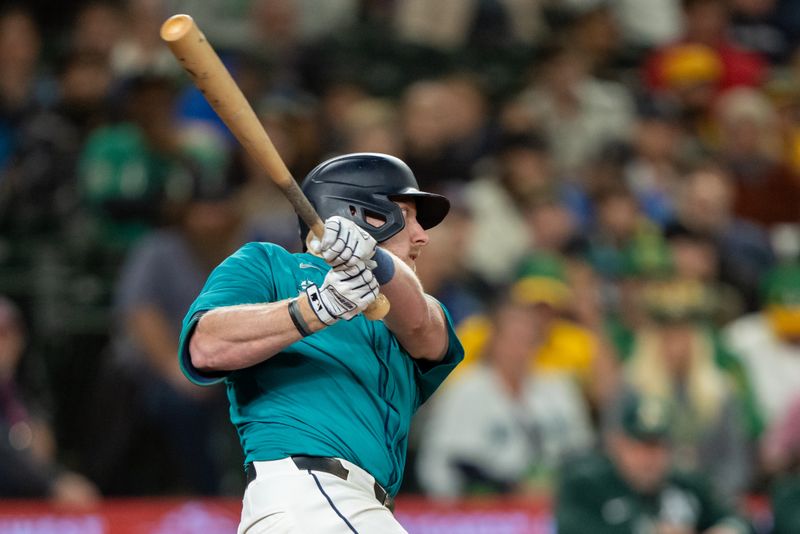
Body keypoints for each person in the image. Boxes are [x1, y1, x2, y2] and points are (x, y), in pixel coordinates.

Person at [179, 153, 464, 533]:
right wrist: (315, 308)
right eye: (406, 215)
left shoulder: (410, 308)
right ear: (361, 212)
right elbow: (205, 347)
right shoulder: (268, 264)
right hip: (307, 493)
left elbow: (422, 326)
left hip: (352, 506)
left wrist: (372, 258)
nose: (422, 235)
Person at [417, 288, 593, 499]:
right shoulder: (466, 389)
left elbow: (582, 452)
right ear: (495, 341)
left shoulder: (558, 388)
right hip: (483, 507)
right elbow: (449, 463)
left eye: (529, 339)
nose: (521, 348)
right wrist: (512, 490)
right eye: (514, 338)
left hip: (552, 502)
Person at [556, 390, 751, 534]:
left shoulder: (687, 484)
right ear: (619, 445)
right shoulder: (588, 484)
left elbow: (744, 521)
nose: (649, 459)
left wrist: (729, 528)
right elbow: (570, 527)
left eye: (658, 447)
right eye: (640, 447)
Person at [0, 296, 100, 507]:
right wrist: (53, 483)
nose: (7, 342)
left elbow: (41, 440)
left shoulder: (23, 383)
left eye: (12, 332)